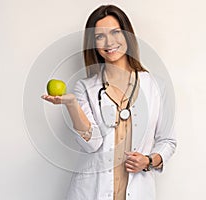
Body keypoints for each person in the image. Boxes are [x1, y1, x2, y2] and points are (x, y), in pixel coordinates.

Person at [41, 5, 176, 200]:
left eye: (115, 32)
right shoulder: (85, 88)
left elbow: (167, 140)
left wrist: (148, 161)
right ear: (93, 44)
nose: (109, 41)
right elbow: (92, 144)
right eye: (99, 36)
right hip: (91, 192)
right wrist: (72, 105)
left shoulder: (156, 86)